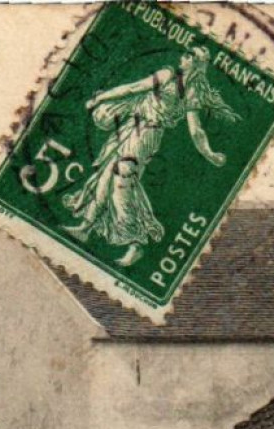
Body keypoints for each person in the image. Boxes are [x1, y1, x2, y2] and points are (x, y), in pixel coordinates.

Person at [61, 45, 238, 268]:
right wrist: (101, 98)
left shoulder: (189, 89)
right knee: (107, 175)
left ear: (197, 63)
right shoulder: (171, 77)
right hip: (132, 127)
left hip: (147, 133)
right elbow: (134, 89)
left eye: (189, 55)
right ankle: (86, 228)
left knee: (122, 181)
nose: (183, 57)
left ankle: (135, 242)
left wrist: (209, 153)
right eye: (185, 53)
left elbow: (196, 130)